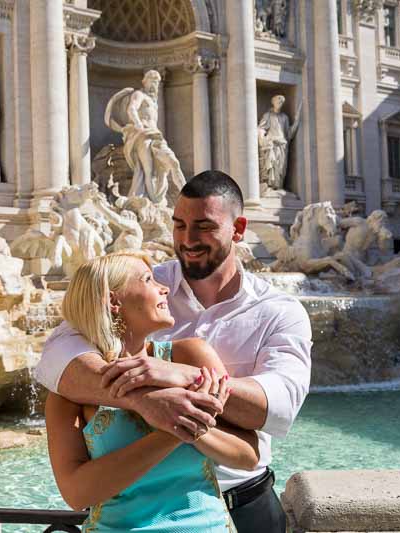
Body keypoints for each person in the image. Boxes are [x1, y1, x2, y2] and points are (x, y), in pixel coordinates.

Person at [35, 170, 313, 533]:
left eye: (203, 226)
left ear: (238, 228)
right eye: (179, 225)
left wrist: (181, 376)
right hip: (132, 515)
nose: (187, 239)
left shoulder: (280, 311)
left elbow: (278, 407)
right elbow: (56, 355)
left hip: (244, 506)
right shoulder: (146, 283)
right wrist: (144, 400)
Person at [46, 251, 259, 531]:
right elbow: (76, 494)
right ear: (113, 301)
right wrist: (175, 428)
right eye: (148, 280)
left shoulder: (190, 356)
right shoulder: (70, 391)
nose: (165, 288)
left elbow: (248, 457)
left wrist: (188, 424)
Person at [104, 70, 186, 205]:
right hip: (142, 135)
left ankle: (187, 196)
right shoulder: (139, 94)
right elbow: (132, 109)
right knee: (149, 170)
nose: (154, 84)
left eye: (157, 82)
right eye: (152, 80)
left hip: (156, 136)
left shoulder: (154, 102)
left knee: (173, 163)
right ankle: (152, 202)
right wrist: (138, 125)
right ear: (144, 81)